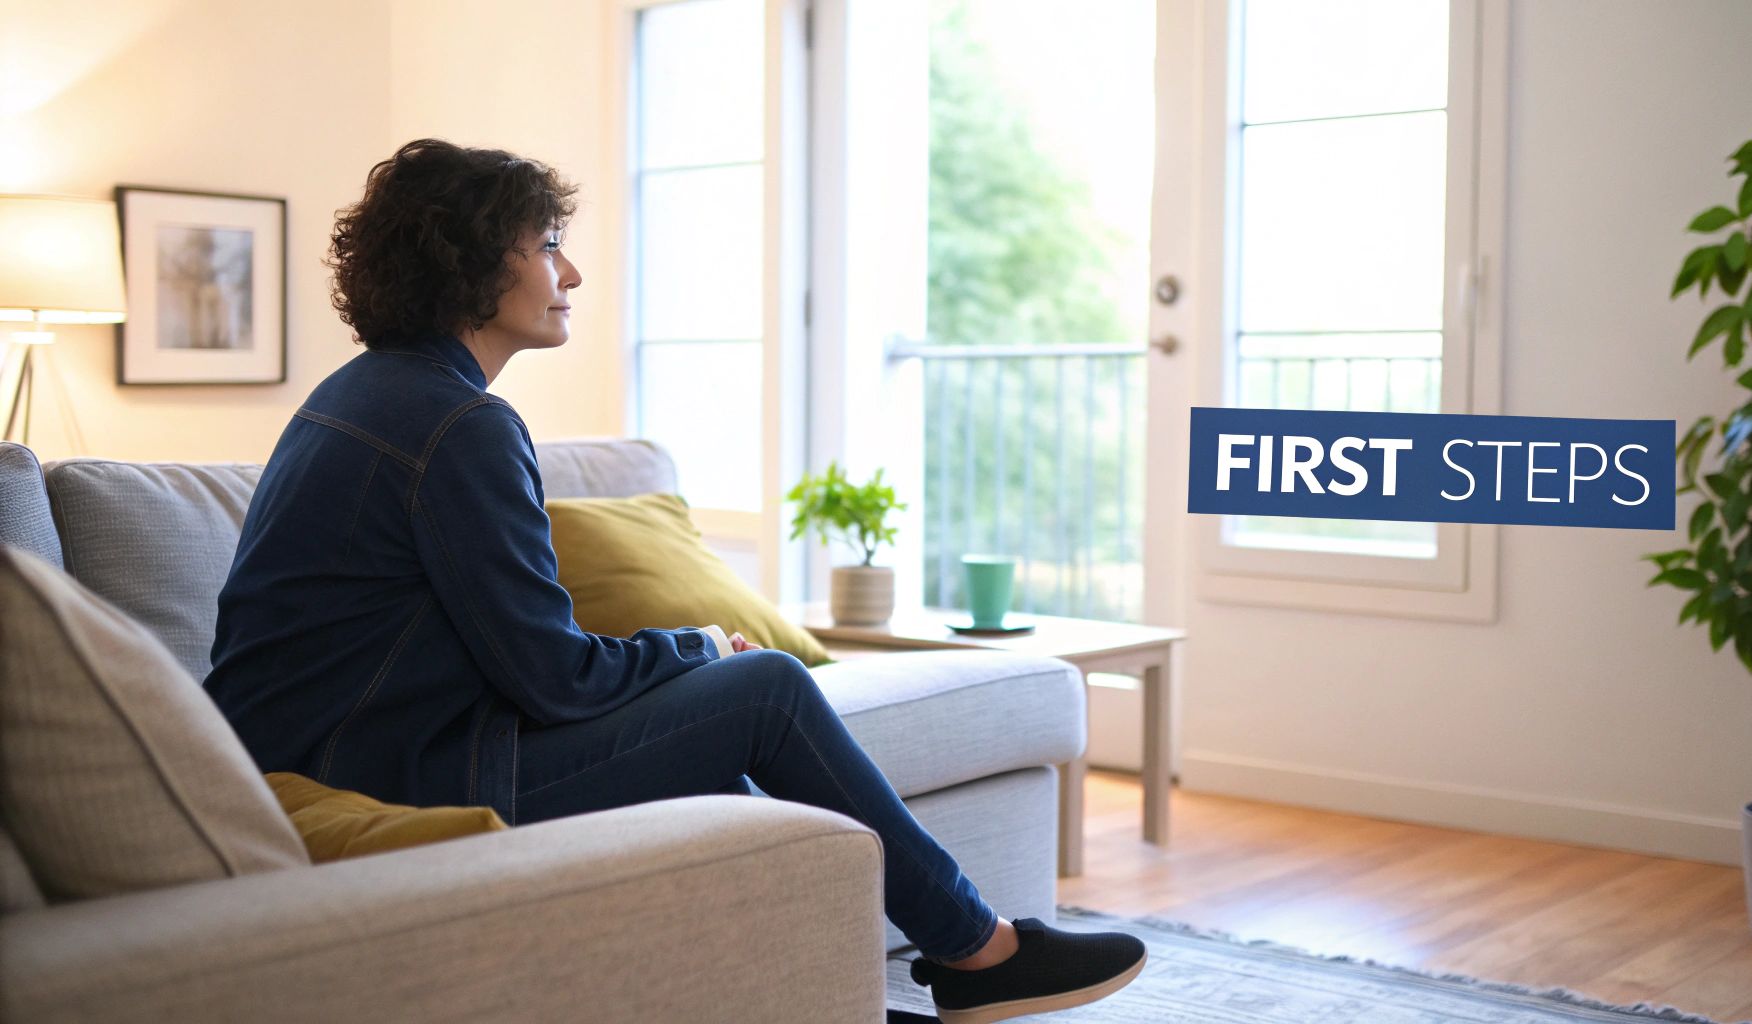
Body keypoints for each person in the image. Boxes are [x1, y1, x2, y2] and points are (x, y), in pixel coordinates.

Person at [202, 137, 1146, 1023]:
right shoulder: (460, 425)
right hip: (394, 779)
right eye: (549, 246)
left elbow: (498, 652)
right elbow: (551, 675)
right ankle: (980, 954)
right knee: (766, 689)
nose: (569, 274)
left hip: (342, 754)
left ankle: (797, 986)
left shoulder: (356, 395)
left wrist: (677, 669)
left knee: (718, 712)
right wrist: (693, 647)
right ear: (473, 263)